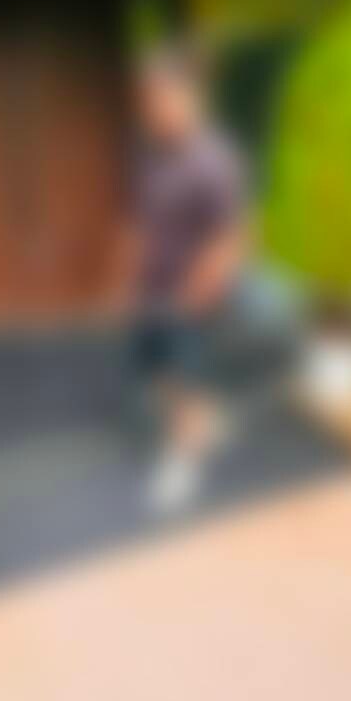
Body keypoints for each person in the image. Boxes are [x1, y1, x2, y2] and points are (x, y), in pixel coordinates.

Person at [127, 40, 249, 510]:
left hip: (190, 296)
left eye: (164, 97)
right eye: (150, 100)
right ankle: (207, 424)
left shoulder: (214, 160)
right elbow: (143, 221)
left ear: (190, 98)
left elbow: (232, 237)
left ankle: (183, 462)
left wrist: (195, 298)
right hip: (151, 292)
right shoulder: (151, 156)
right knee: (157, 373)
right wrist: (129, 280)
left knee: (184, 380)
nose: (156, 108)